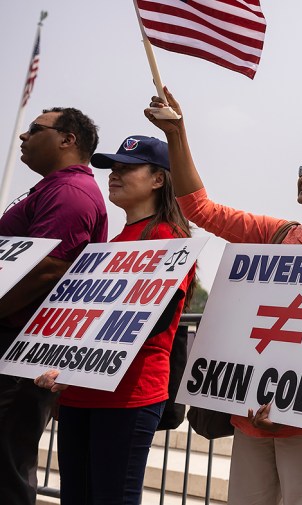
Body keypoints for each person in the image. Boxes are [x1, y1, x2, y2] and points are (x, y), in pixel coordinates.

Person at [146, 87, 302, 505]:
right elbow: (199, 208)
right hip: (249, 417)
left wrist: (291, 404)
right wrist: (177, 134)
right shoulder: (273, 234)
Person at [34, 135, 195, 504]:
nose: (114, 174)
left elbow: (151, 321)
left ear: (158, 179)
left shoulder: (170, 238)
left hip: (129, 397)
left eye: (127, 168)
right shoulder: (110, 243)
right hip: (78, 394)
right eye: (112, 168)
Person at [0, 107, 108, 505]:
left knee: (6, 467)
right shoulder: (52, 188)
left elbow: (48, 269)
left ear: (68, 139)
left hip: (20, 348)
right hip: (14, 343)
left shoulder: (71, 193)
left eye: (35, 129)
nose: (22, 138)